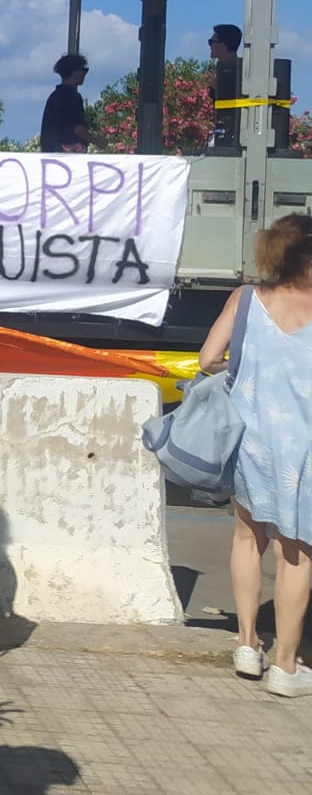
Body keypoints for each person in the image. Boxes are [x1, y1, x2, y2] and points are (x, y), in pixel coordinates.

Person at [198, 214, 312, 698]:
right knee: (297, 553)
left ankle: (247, 644)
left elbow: (207, 360)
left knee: (247, 539)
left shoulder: (246, 299)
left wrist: (246, 368)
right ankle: (286, 666)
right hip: (304, 450)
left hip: (251, 442)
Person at [39, 53, 102, 153]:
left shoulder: (54, 96)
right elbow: (77, 128)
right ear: (75, 71)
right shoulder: (71, 97)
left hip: (51, 154)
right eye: (84, 70)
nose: (85, 74)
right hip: (67, 156)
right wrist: (97, 141)